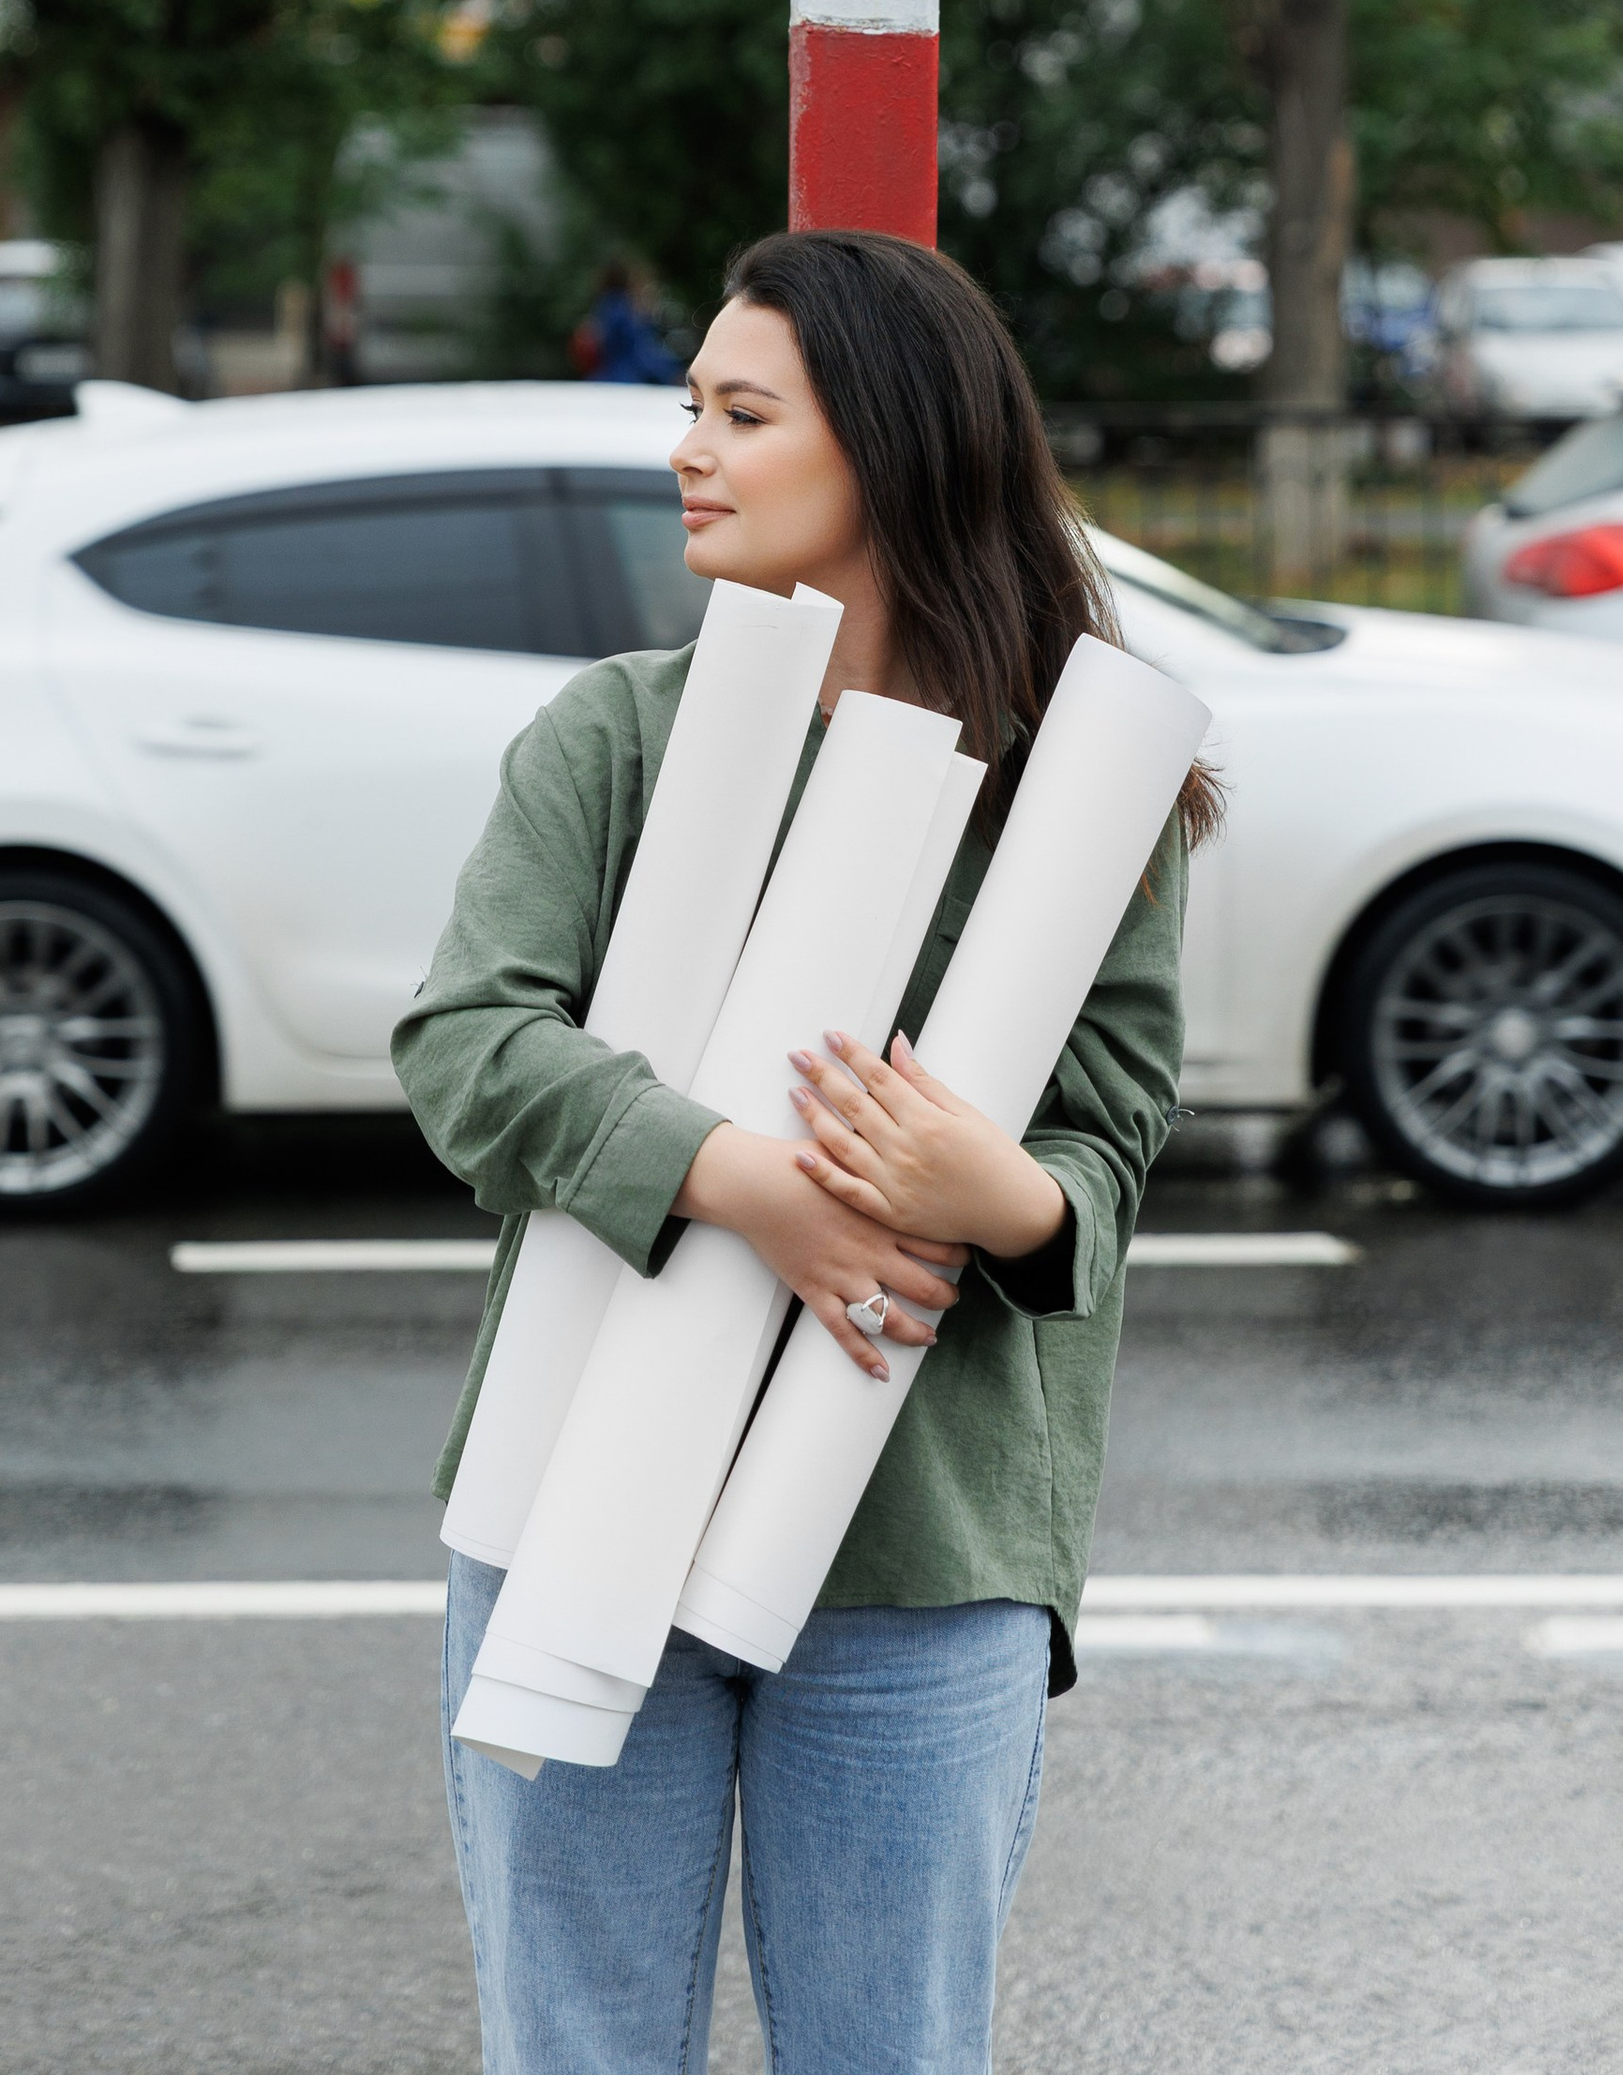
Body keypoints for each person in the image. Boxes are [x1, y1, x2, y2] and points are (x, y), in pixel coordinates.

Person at [394, 226, 1218, 2075]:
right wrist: (743, 1181)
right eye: (691, 405)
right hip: (578, 1477)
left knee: (890, 2054)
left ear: (894, 446)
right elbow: (466, 1045)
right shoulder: (615, 739)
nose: (686, 446)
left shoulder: (1076, 788)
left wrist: (987, 1194)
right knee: (582, 2048)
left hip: (925, 1538)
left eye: (741, 412)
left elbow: (1117, 1127)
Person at [568, 256, 681, 385]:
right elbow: (641, 351)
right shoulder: (621, 310)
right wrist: (671, 372)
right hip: (625, 378)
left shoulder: (604, 306)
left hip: (608, 377)